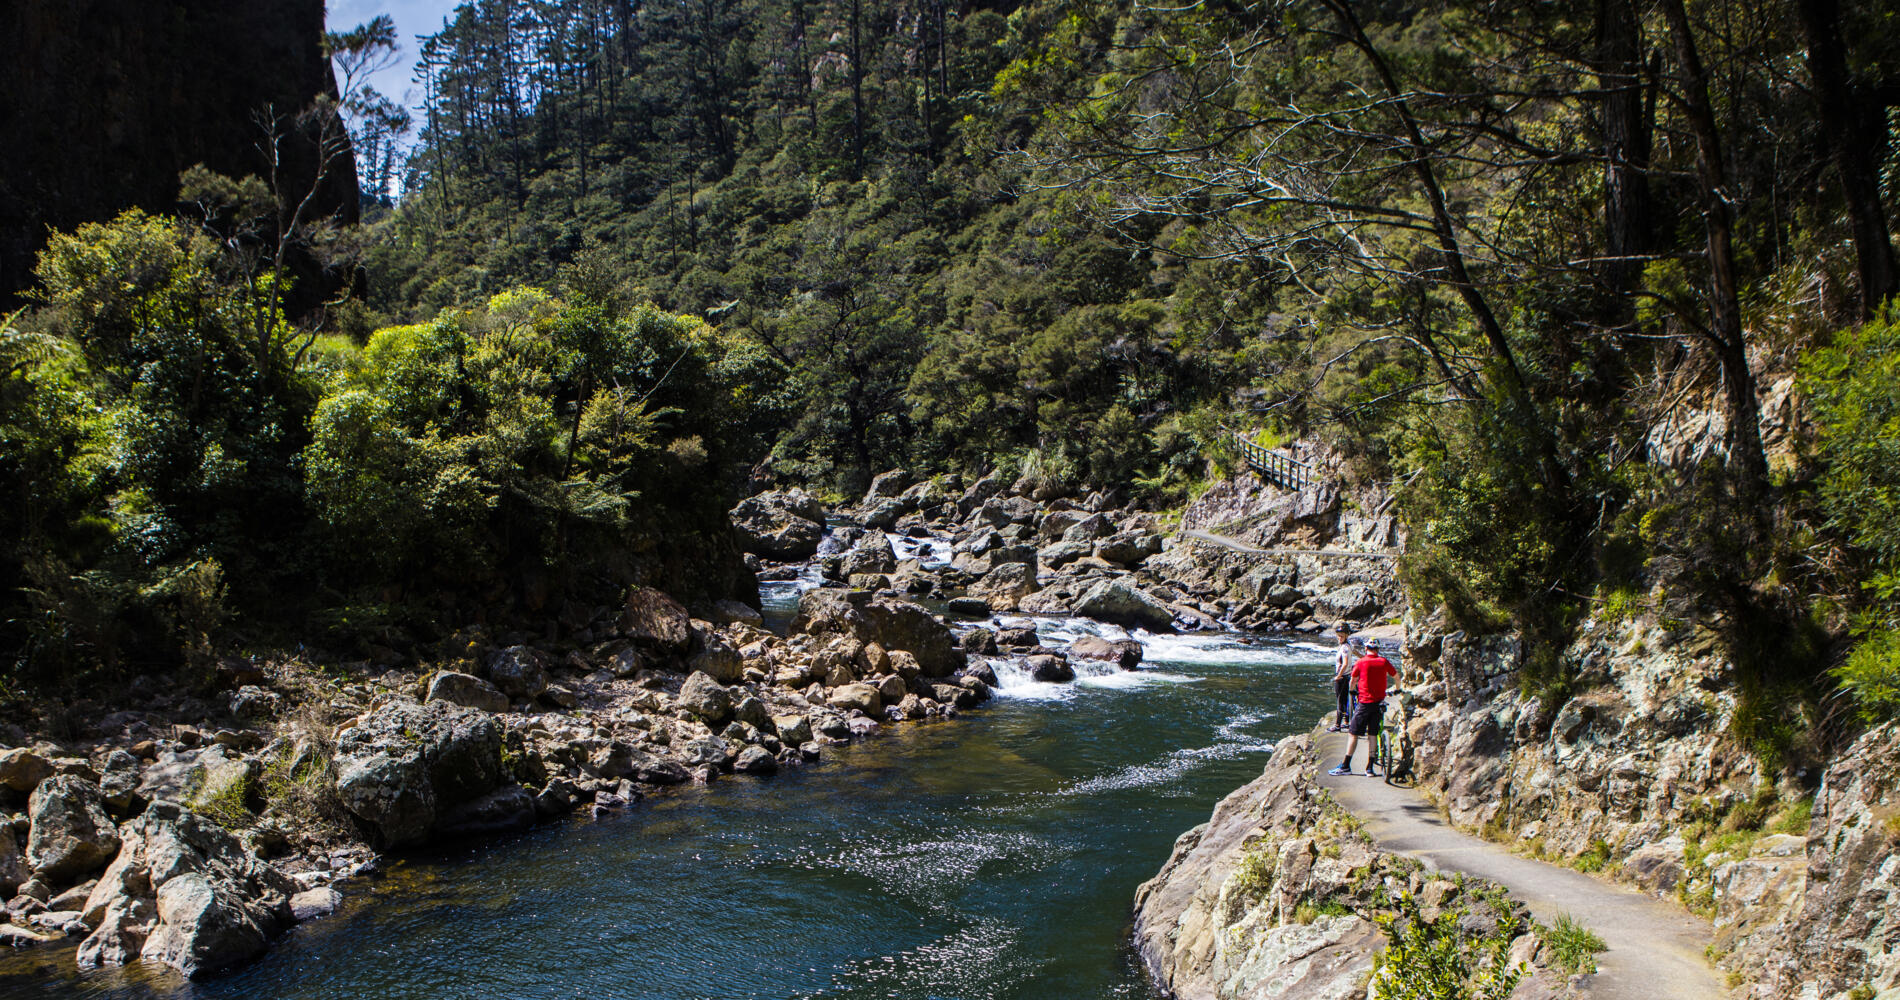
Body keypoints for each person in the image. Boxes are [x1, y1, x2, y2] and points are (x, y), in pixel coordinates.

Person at [1330, 639, 1400, 776]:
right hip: (1379, 702)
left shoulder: (1361, 662)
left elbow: (1353, 680)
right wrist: (1397, 690)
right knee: (1373, 734)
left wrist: (1351, 692)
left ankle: (1345, 766)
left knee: (1353, 733)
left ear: (1366, 648)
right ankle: (1369, 768)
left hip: (1365, 703)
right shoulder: (1384, 662)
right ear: (1378, 650)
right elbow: (1397, 677)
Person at [1328, 623, 1354, 732]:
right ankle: (1347, 722)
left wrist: (1338, 676)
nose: (1339, 638)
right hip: (1348, 676)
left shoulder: (1344, 648)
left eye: (1341, 636)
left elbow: (1345, 663)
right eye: (1338, 635)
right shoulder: (1349, 645)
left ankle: (1337, 725)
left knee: (1340, 701)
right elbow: (1355, 653)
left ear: (1347, 636)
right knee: (1345, 700)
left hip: (1342, 677)